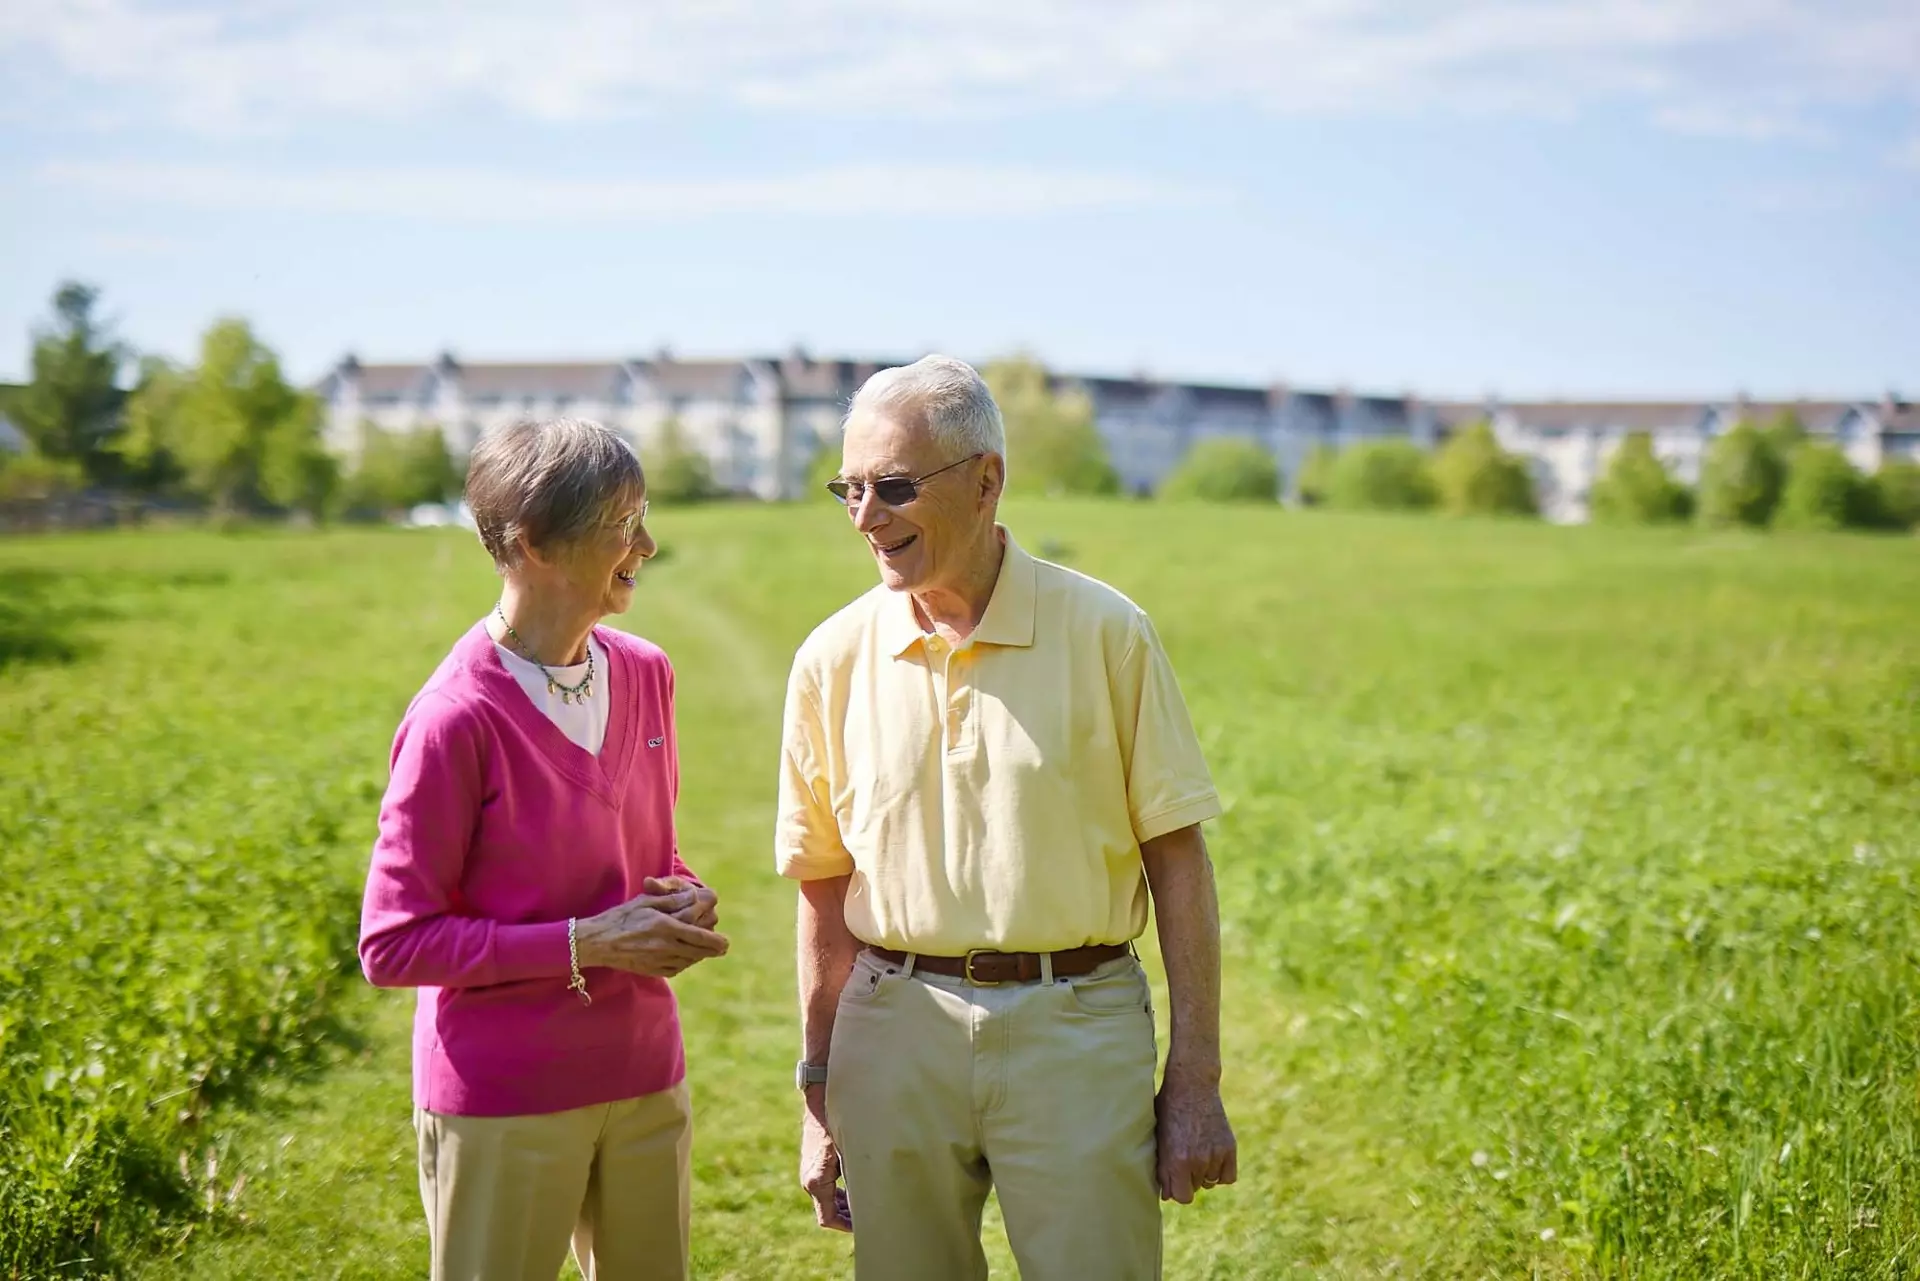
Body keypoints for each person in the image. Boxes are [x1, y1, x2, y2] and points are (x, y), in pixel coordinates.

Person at [777, 357, 1237, 1280]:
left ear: (986, 480)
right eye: (851, 489)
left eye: (895, 487)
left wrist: (1195, 1081)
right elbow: (822, 888)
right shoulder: (830, 659)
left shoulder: (1108, 633)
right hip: (893, 1032)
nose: (867, 517)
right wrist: (820, 1089)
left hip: (1077, 1027)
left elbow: (1177, 863)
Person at [359, 417, 729, 1281]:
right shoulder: (456, 718)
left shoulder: (645, 672)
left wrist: (684, 895)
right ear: (531, 543)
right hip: (503, 1095)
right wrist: (586, 942)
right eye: (621, 521)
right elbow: (392, 942)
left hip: (644, 1072)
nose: (648, 542)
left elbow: (653, 853)